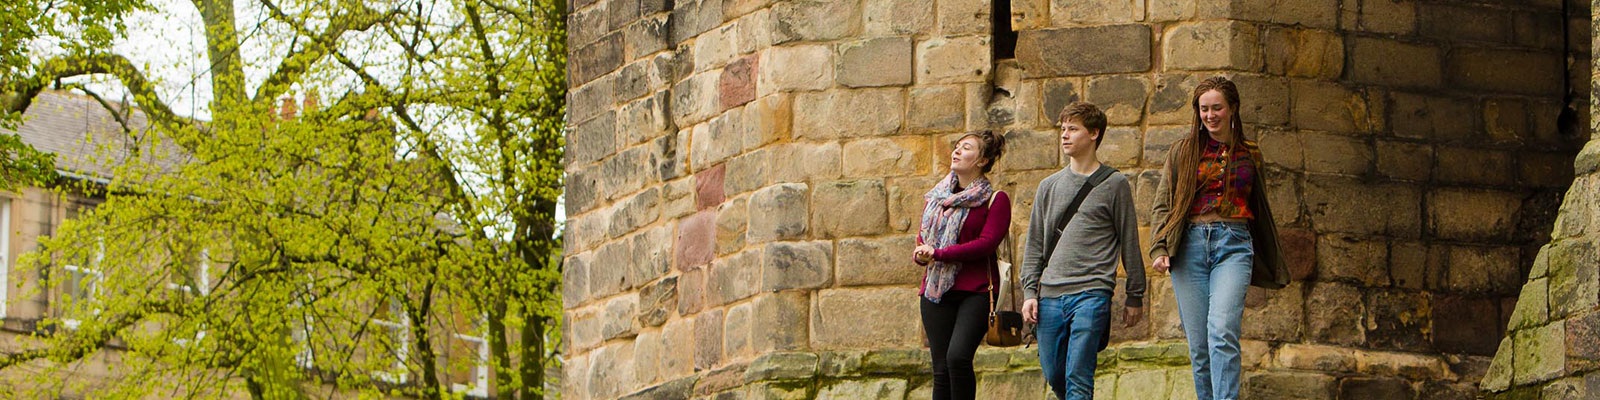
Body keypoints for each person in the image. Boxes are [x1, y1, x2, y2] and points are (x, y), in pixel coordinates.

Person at [1148, 76, 1290, 400]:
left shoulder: (1251, 153)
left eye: (1217, 108)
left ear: (1232, 109)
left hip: (1234, 244)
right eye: (1204, 109)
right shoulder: (1183, 151)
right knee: (1200, 346)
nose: (1210, 116)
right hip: (1190, 248)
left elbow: (1260, 205)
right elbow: (1162, 204)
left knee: (1222, 331)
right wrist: (1159, 247)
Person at [1019, 101, 1145, 400]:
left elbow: (1129, 240)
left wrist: (1135, 295)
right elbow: (1035, 242)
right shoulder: (1048, 186)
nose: (1065, 135)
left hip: (1092, 292)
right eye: (1062, 129)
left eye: (1073, 129)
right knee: (1054, 374)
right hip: (1049, 295)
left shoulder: (1114, 184)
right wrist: (1028, 293)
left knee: (1078, 373)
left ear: (1094, 134)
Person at [913, 130, 1010, 400]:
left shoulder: (995, 199)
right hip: (936, 291)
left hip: (976, 290)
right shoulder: (936, 197)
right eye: (956, 147)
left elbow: (986, 244)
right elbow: (924, 236)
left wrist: (940, 253)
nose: (956, 151)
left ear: (982, 160)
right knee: (941, 369)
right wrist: (922, 253)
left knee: (957, 357)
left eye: (966, 148)